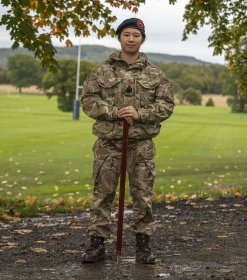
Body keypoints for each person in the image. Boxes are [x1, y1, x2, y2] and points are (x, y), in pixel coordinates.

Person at [80, 18, 175, 263]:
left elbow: (166, 105)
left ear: (142, 39)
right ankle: (97, 245)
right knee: (102, 195)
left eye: (136, 35)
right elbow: (88, 101)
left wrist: (139, 114)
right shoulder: (102, 71)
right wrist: (115, 112)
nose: (131, 39)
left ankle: (143, 247)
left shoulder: (155, 73)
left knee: (143, 195)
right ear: (119, 38)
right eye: (126, 34)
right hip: (108, 143)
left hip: (140, 144)